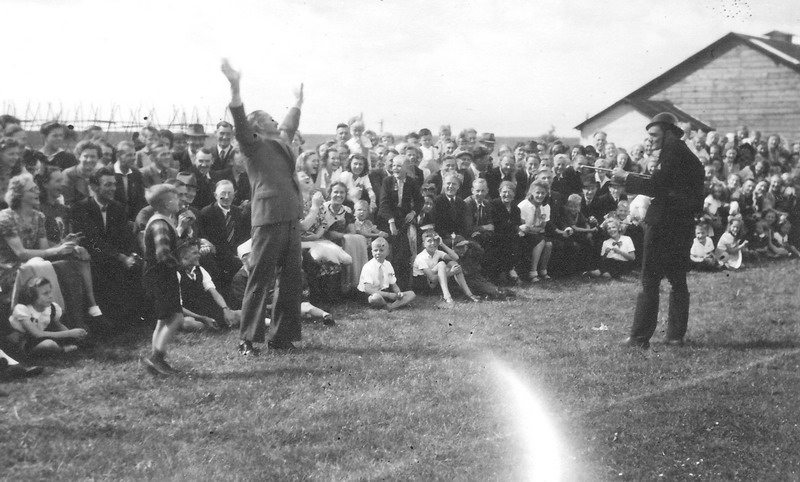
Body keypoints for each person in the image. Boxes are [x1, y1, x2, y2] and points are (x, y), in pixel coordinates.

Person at [221, 58, 304, 355]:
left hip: (291, 216)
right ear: (257, 125)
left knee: (291, 280)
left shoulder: (280, 141)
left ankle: (281, 337)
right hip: (268, 218)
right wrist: (235, 86)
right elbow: (239, 121)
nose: (275, 120)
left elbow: (290, 124)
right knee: (259, 279)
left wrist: (298, 101)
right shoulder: (251, 144)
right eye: (270, 117)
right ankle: (247, 339)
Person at [612, 112, 704, 348]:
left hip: (663, 226)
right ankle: (675, 336)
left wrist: (626, 177)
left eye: (654, 134)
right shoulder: (685, 153)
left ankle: (639, 337)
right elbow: (669, 186)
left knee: (649, 280)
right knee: (678, 280)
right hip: (682, 226)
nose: (650, 139)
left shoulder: (671, 152)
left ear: (669, 133)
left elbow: (656, 186)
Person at [141, 184, 186, 375]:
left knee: (163, 318)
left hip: (156, 275)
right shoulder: (160, 224)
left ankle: (155, 361)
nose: (179, 201)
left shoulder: (160, 220)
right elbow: (163, 254)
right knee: (176, 317)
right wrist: (181, 266)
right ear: (167, 204)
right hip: (161, 276)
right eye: (176, 198)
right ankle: (157, 358)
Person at [4, 277, 87, 357]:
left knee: (67, 338)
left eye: (50, 292)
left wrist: (71, 334)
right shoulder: (22, 309)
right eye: (45, 293)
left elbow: (57, 324)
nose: (50, 296)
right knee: (49, 344)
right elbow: (37, 334)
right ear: (32, 296)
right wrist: (69, 333)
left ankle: (72, 344)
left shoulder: (52, 308)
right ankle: (62, 349)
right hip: (24, 341)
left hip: (40, 338)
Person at [175, 239, 239, 331]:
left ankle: (214, 324)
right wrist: (202, 318)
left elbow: (214, 293)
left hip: (205, 310)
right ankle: (209, 325)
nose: (199, 255)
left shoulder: (200, 270)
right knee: (187, 323)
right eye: (195, 253)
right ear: (183, 256)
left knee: (239, 314)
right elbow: (178, 308)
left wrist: (225, 309)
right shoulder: (176, 274)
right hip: (191, 315)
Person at [412, 230, 479, 305]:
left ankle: (469, 294)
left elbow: (455, 257)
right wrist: (451, 273)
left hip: (433, 282)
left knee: (453, 264)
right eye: (429, 241)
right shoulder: (421, 257)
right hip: (424, 285)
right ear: (423, 244)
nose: (433, 243)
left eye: (435, 241)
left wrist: (442, 244)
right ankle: (447, 297)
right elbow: (432, 278)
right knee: (441, 264)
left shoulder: (437, 252)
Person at [357, 237, 416, 311]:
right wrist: (389, 295)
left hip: (385, 291)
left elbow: (394, 285)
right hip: (371, 294)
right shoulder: (368, 266)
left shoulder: (388, 264)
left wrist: (398, 293)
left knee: (411, 294)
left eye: (381, 250)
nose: (378, 253)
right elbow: (368, 289)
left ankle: (390, 306)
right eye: (375, 250)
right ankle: (390, 305)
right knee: (375, 298)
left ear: (387, 252)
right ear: (372, 252)